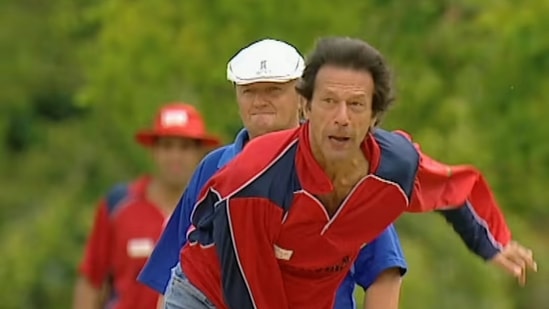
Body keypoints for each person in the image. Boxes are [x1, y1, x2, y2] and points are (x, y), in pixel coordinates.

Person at [161, 37, 538, 309]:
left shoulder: (395, 167)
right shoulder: (255, 182)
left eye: (357, 105)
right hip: (210, 295)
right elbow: (250, 291)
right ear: (306, 107)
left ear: (374, 117)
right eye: (328, 102)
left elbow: (453, 191)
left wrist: (490, 245)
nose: (342, 118)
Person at [139, 39, 407, 309]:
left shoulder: (344, 165)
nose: (260, 102)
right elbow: (173, 270)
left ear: (303, 98)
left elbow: (383, 271)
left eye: (273, 91)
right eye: (249, 91)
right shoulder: (215, 168)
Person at [72, 103, 220, 309]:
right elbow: (92, 280)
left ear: (201, 153)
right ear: (153, 150)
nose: (175, 156)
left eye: (185, 147)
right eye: (167, 146)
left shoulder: (214, 210)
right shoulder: (119, 205)